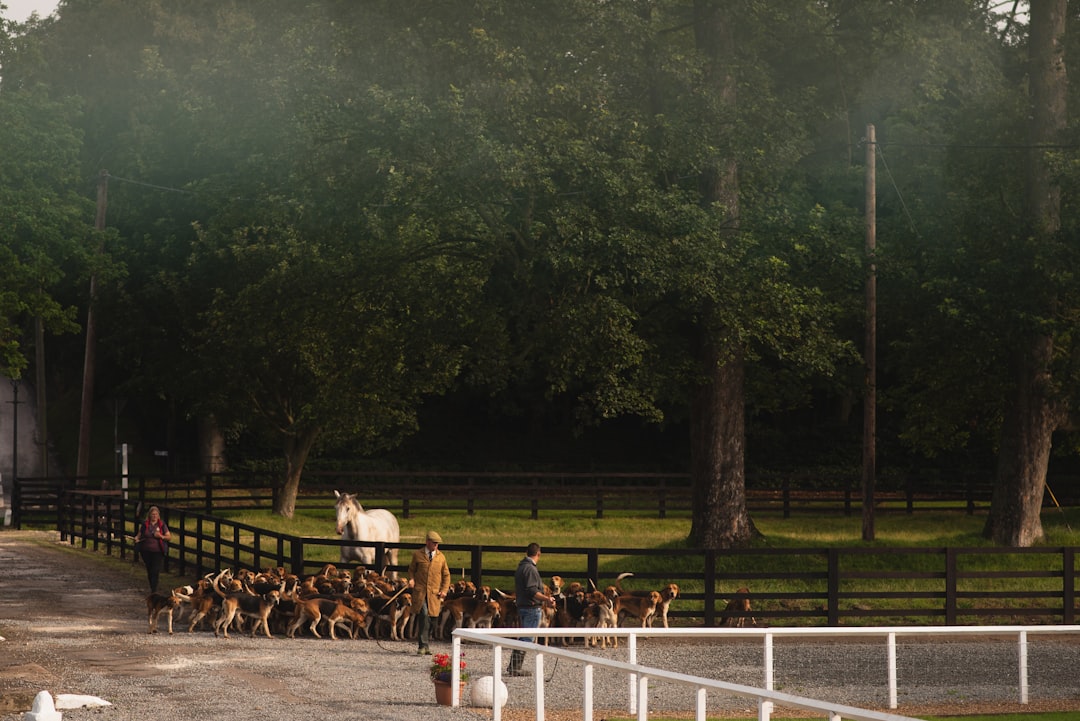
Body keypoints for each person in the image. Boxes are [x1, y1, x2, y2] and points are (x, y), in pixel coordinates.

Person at [508, 542, 555, 677]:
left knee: (524, 637)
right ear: (538, 554)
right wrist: (547, 599)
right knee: (527, 638)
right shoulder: (530, 569)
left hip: (523, 606)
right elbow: (532, 591)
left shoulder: (521, 567)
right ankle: (515, 668)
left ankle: (513, 666)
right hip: (531, 607)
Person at [408, 529, 450, 655]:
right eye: (434, 543)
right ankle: (422, 645)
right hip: (420, 592)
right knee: (424, 615)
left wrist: (444, 590)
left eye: (437, 543)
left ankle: (426, 643)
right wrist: (411, 579)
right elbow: (411, 570)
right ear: (427, 542)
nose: (436, 545)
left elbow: (446, 575)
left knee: (433, 619)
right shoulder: (418, 555)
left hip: (434, 594)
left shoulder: (441, 557)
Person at [133, 506, 171, 593]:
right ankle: (152, 586)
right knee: (149, 569)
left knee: (155, 569)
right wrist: (137, 538)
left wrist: (161, 536)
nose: (154, 516)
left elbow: (169, 537)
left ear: (158, 515)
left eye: (156, 514)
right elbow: (139, 534)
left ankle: (154, 589)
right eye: (152, 514)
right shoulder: (145, 524)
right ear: (149, 515)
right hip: (146, 551)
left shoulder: (162, 525)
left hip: (158, 551)